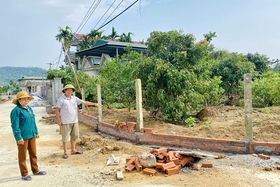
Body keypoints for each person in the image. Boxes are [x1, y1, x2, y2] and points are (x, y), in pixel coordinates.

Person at [55, 84, 99, 159]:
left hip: (74, 121)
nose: (69, 91)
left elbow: (84, 102)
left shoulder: (74, 98)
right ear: (65, 91)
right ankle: (65, 152)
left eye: (71, 90)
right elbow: (57, 110)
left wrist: (94, 104)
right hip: (65, 121)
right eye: (68, 90)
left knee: (74, 136)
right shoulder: (61, 99)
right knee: (65, 138)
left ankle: (73, 150)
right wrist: (59, 121)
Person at [10, 91, 46, 181]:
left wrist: (36, 132)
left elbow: (33, 121)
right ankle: (24, 174)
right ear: (19, 100)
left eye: (27, 99)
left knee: (33, 154)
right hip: (23, 137)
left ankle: (36, 170)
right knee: (22, 156)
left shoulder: (29, 108)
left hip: (32, 135)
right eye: (24, 99)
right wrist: (18, 137)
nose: (26, 101)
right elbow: (15, 126)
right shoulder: (16, 111)